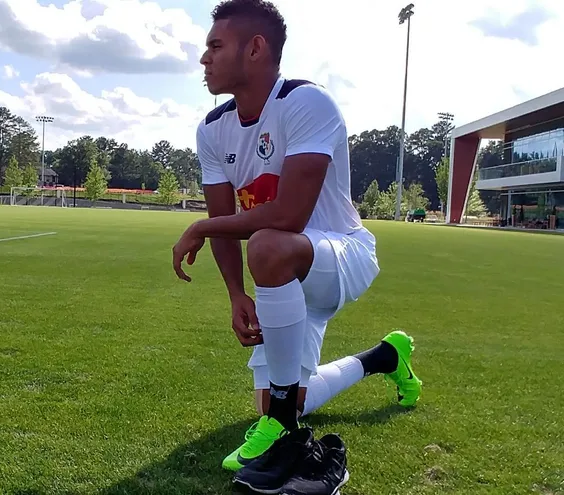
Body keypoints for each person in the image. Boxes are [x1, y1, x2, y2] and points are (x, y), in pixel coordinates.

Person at [171, 0, 422, 491]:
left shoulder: (306, 103)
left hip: (339, 255)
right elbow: (225, 219)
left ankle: (285, 427)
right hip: (280, 270)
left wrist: (200, 228)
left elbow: (290, 217)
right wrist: (235, 295)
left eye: (216, 46)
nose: (204, 58)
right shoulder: (211, 128)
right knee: (279, 397)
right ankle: (384, 358)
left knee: (267, 243)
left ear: (256, 49)